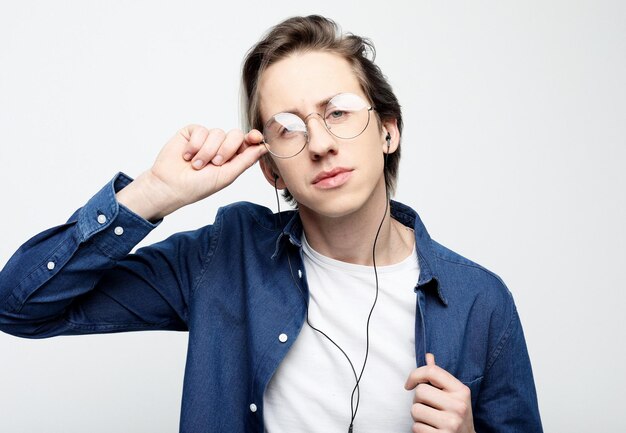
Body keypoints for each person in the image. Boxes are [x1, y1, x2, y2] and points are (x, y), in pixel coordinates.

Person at [0, 15, 542, 433]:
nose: (322, 143)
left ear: (388, 131)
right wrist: (152, 194)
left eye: (340, 111)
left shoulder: (480, 301)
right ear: (269, 169)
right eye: (287, 128)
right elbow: (18, 307)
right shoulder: (222, 259)